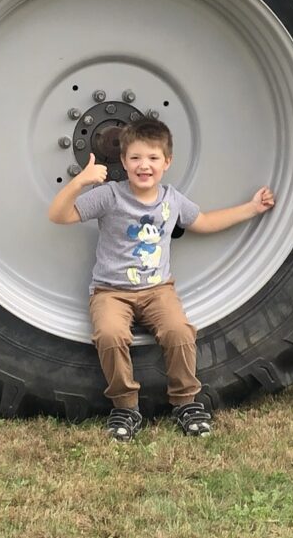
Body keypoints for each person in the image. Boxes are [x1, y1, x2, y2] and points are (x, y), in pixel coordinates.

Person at [47, 117, 276, 441]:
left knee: (179, 332)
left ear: (166, 162)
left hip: (157, 290)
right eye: (136, 158)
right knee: (110, 334)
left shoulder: (172, 199)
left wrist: (252, 209)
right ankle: (125, 407)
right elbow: (58, 215)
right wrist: (80, 182)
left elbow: (207, 221)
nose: (144, 166)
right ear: (124, 162)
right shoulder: (109, 196)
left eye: (153, 158)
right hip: (111, 291)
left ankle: (186, 402)